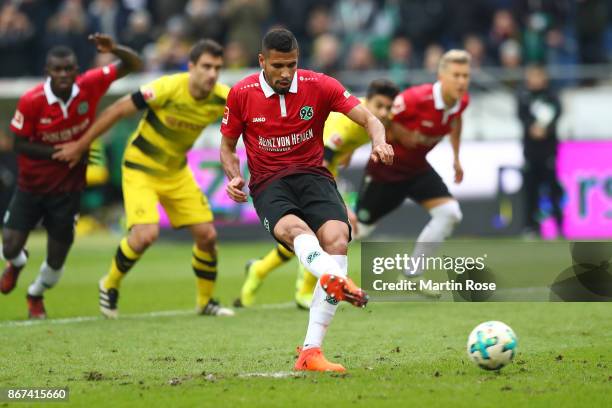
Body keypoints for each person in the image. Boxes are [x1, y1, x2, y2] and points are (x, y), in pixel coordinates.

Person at [220, 28, 393, 372]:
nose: (286, 74)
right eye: (278, 66)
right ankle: (336, 279)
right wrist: (233, 176)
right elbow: (227, 146)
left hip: (314, 177)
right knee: (298, 231)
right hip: (270, 183)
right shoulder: (241, 93)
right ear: (262, 62)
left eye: (292, 65)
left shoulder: (320, 85)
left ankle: (311, 351)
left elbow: (370, 118)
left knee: (338, 240)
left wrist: (380, 142)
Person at [53, 39, 234, 318]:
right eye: (206, 67)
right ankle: (109, 283)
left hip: (175, 172)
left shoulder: (224, 98)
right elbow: (116, 110)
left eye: (217, 68)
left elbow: (255, 118)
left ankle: (205, 301)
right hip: (140, 167)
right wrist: (81, 145)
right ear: (191, 67)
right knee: (146, 235)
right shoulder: (167, 88)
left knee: (207, 236)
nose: (212, 74)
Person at [0, 34, 142, 319]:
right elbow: (18, 144)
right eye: (57, 69)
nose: (64, 74)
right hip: (31, 187)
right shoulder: (32, 101)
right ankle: (17, 264)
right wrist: (62, 152)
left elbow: (133, 64)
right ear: (47, 72)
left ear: (76, 71)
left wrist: (115, 48)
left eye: (69, 69)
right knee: (10, 246)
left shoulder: (89, 84)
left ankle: (36, 294)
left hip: (68, 190)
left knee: (56, 260)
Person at [234, 79, 399, 309]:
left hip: (318, 169)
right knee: (317, 232)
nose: (383, 112)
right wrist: (344, 206)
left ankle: (259, 269)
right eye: (379, 105)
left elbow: (343, 150)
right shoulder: (347, 125)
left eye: (388, 108)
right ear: (367, 100)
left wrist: (348, 153)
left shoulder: (368, 121)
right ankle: (304, 291)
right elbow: (324, 159)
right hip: (306, 171)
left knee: (304, 237)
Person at [355, 49, 471, 282]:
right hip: (386, 171)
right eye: (456, 75)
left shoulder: (462, 102)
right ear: (441, 76)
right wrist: (398, 132)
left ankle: (411, 274)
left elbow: (456, 120)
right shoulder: (414, 99)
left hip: (417, 169)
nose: (461, 82)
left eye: (465, 76)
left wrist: (456, 157)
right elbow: (380, 117)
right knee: (360, 229)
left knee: (449, 213)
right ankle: (310, 257)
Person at [517, 64, 563, 237]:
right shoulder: (523, 95)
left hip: (548, 150)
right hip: (530, 151)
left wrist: (546, 128)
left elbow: (558, 112)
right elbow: (521, 115)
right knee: (530, 191)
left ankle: (559, 226)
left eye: (538, 76)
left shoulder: (551, 95)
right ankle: (531, 227)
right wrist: (531, 127)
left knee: (553, 190)